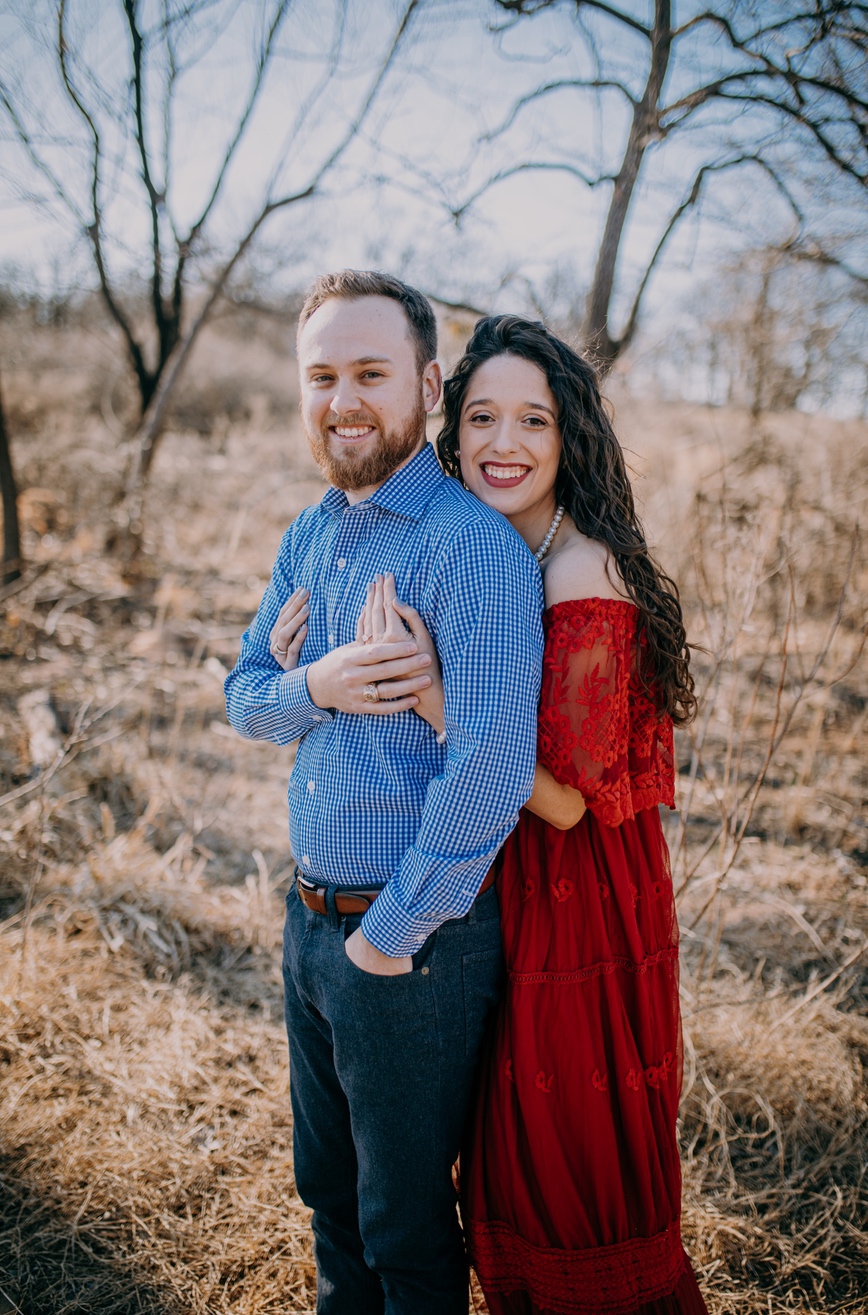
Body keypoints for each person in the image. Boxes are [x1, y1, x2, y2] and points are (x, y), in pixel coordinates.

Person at [360, 314, 708, 1314]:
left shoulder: (579, 573)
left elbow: (562, 802)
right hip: (510, 880)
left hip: (582, 898)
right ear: (451, 429)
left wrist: (434, 696)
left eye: (533, 421)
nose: (503, 444)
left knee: (562, 1174)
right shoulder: (486, 550)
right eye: (481, 417)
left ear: (568, 439)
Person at [223, 272, 544, 1315]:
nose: (343, 399)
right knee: (331, 1197)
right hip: (307, 922)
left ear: (428, 383)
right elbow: (243, 699)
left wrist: (388, 937)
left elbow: (491, 771)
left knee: (403, 1224)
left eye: (370, 372)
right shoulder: (309, 534)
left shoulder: (473, 549)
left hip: (414, 945)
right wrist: (313, 685)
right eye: (322, 376)